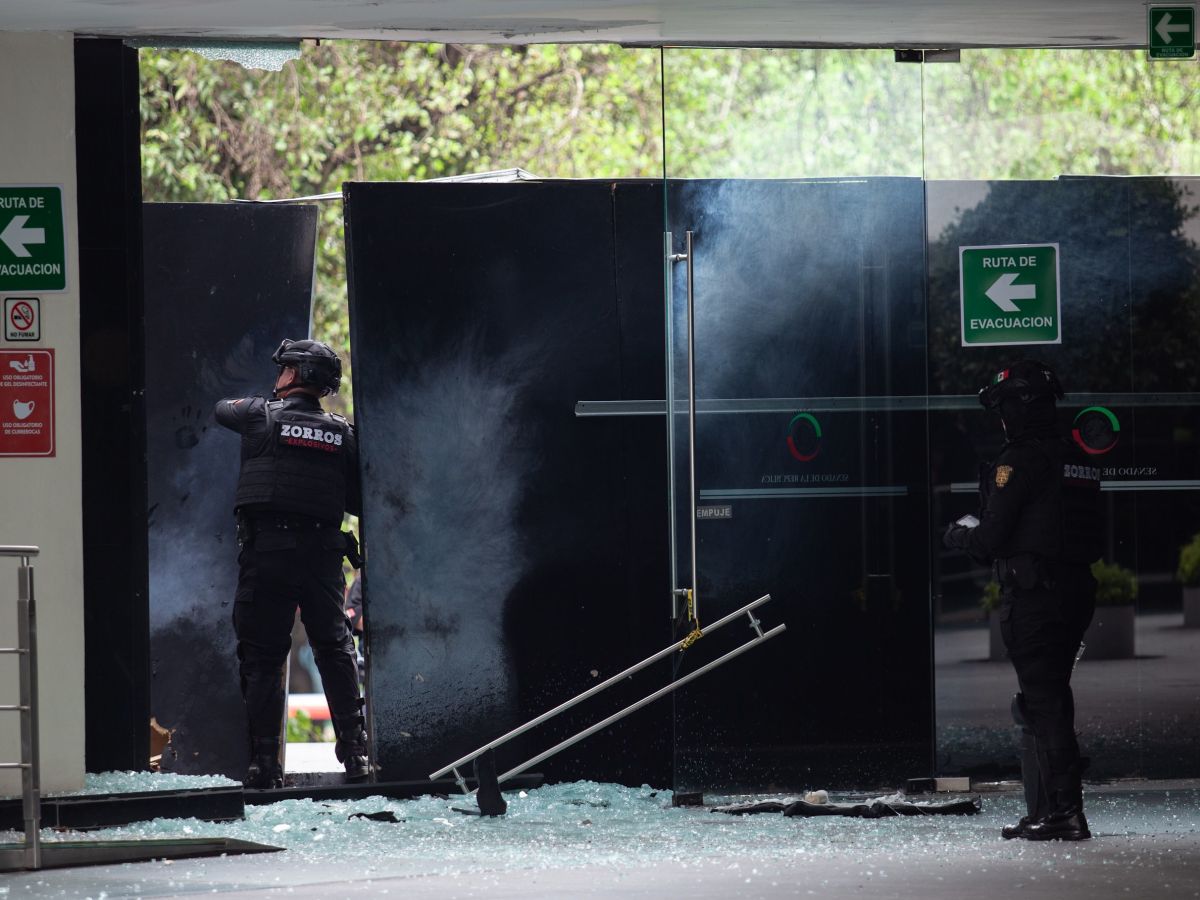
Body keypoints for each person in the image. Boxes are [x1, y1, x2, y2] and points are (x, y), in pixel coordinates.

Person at [942, 360, 1101, 841]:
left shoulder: (1019, 462)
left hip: (1036, 599)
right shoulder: (1074, 459)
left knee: (1045, 704)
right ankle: (1051, 808)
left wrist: (956, 534)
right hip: (1074, 591)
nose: (1002, 418)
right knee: (1050, 701)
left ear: (1020, 406)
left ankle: (1065, 814)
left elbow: (990, 540)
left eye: (1004, 407)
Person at [215, 338, 368, 789]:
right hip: (322, 558)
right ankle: (357, 756)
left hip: (269, 556)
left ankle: (264, 764)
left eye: (285, 368)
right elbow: (358, 499)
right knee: (336, 651)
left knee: (262, 658)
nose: (277, 375)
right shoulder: (344, 434)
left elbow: (221, 409)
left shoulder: (258, 415)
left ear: (297, 375)